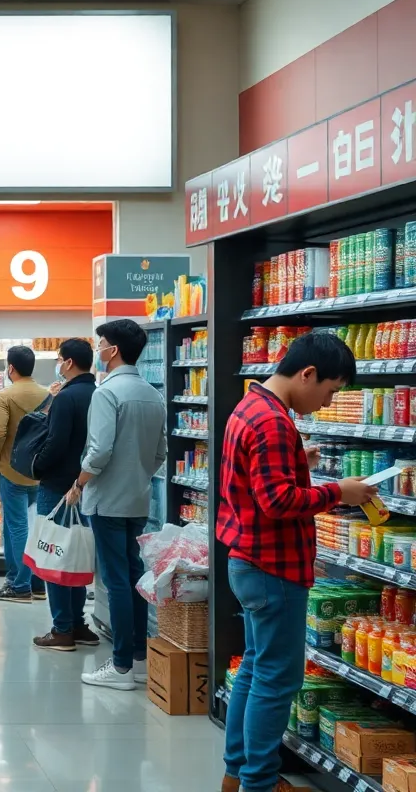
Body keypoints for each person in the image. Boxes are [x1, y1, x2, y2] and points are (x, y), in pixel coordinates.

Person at [218, 333, 374, 792]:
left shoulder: (251, 406)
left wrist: (295, 461)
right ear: (307, 374)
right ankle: (258, 783)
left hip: (247, 559)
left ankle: (237, 772)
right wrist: (337, 492)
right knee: (276, 679)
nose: (328, 403)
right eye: (329, 391)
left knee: (254, 668)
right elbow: (276, 501)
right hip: (273, 567)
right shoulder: (272, 422)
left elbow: (253, 479)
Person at [67, 319, 167, 690]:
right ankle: (139, 658)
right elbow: (160, 452)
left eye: (102, 344)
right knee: (133, 578)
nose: (99, 350)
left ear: (113, 351)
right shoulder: (151, 393)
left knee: (115, 581)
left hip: (106, 500)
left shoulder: (106, 393)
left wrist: (79, 482)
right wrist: (138, 474)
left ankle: (121, 665)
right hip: (138, 499)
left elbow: (99, 450)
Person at [28, 338, 100, 651]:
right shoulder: (98, 393)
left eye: (60, 359)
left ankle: (61, 630)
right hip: (87, 485)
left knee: (55, 553)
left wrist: (36, 467)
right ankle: (78, 623)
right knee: (76, 554)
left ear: (68, 363)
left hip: (58, 486)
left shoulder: (67, 397)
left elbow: (54, 443)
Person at [0, 345, 49, 603]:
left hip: (11, 471)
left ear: (10, 368)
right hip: (38, 470)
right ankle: (37, 583)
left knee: (16, 527)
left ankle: (19, 585)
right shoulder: (47, 395)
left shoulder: (6, 396)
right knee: (35, 526)